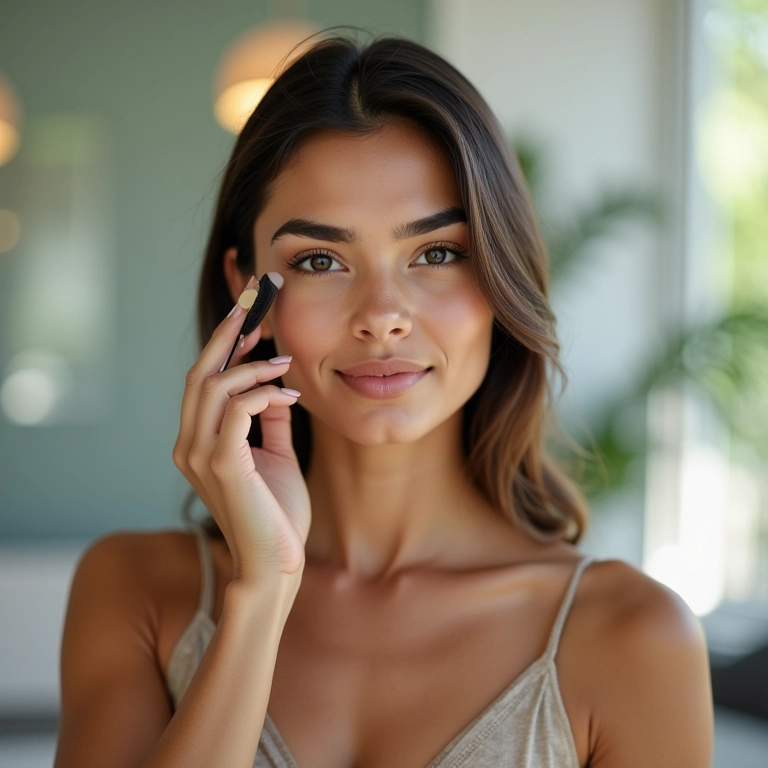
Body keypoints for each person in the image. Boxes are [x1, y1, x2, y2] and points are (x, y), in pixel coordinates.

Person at [53, 30, 714, 768]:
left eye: (436, 253)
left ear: (502, 275)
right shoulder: (135, 592)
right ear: (250, 292)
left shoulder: (633, 638)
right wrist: (262, 594)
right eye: (320, 260)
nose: (382, 313)